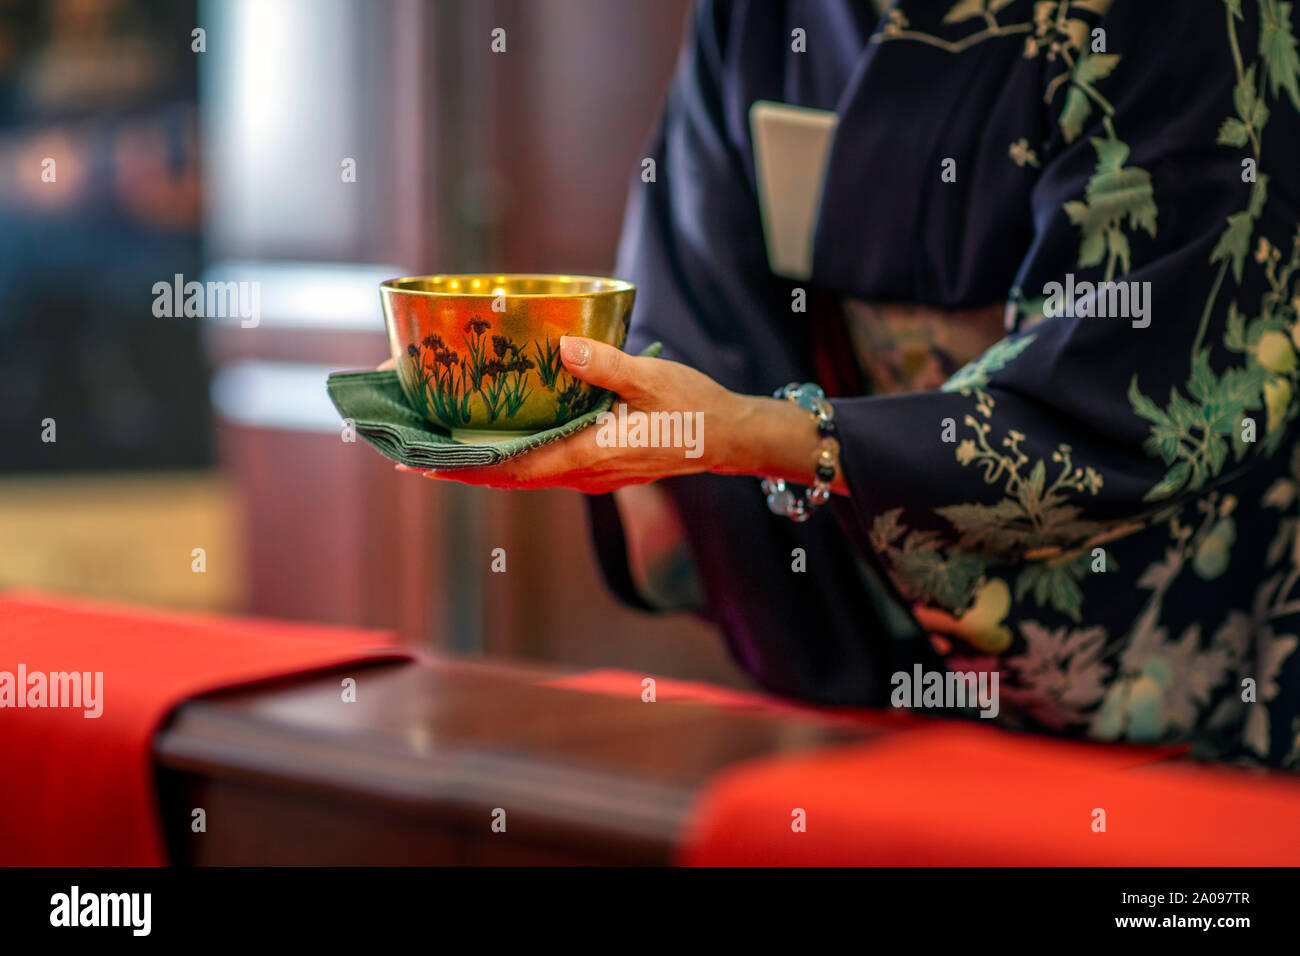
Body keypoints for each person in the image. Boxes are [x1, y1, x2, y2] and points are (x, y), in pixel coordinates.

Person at [411, 0, 1300, 769]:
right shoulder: (761, 12)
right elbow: (700, 306)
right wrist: (551, 394)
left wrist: (765, 436)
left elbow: (1140, 385)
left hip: (1174, 655)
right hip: (863, 620)